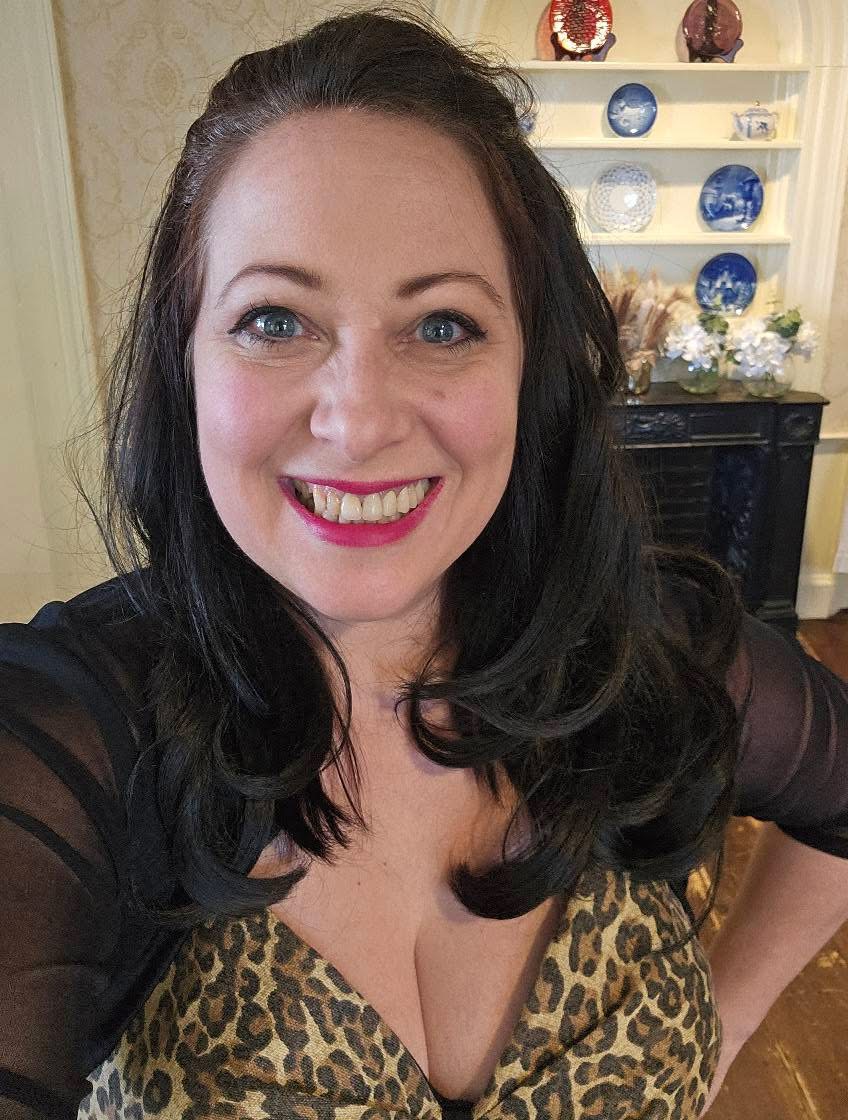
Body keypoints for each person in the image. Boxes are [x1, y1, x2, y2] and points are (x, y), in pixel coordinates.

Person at [1, 6, 846, 1119]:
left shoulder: (642, 646)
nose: (358, 422)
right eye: (274, 320)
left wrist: (724, 1027)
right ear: (185, 361)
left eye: (442, 325)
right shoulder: (68, 742)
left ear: (530, 367)